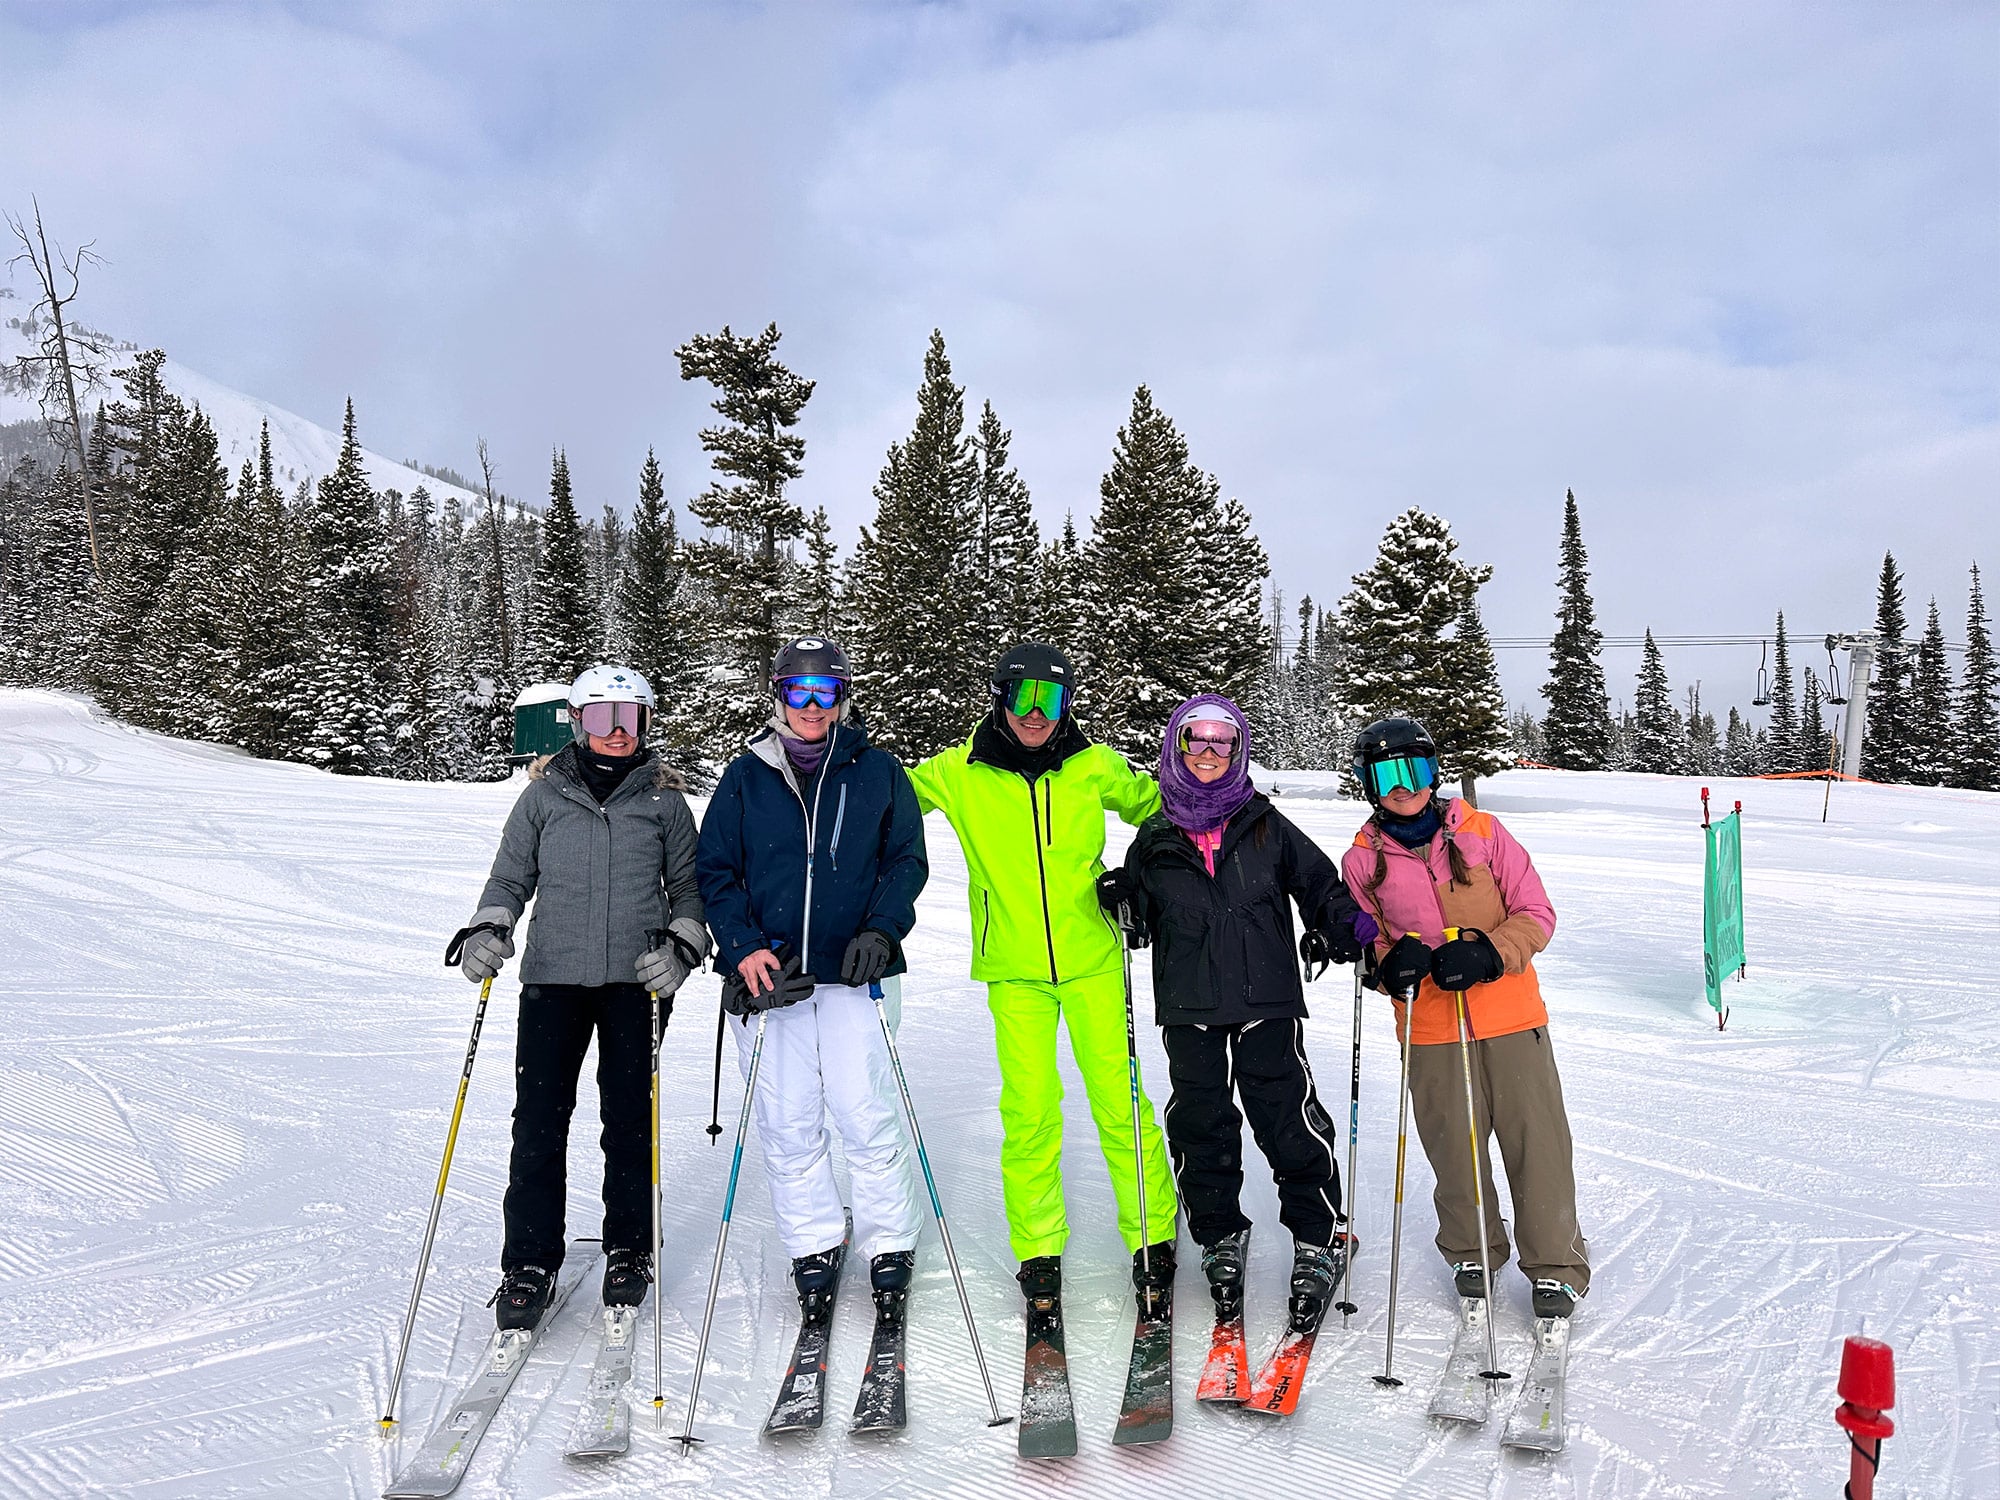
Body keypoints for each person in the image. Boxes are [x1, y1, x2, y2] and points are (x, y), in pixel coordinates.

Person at [907, 642, 1178, 1331]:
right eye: (1023, 697)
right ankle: (1038, 1254)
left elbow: (1159, 810)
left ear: (1067, 706)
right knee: (1030, 1117)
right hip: (1015, 970)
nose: (1036, 713)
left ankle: (1153, 1244)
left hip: (1093, 960)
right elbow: (883, 797)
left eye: (1050, 699)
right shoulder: (958, 771)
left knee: (1122, 1107)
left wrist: (1138, 876)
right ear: (999, 698)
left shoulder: (1094, 765)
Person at [1100, 694, 1372, 1338]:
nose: (1210, 755)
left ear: (1239, 750)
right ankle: (1220, 1234)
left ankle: (1320, 1231)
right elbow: (1138, 918)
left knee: (1286, 1117)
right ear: (1176, 748)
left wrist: (1342, 926)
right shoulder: (1157, 835)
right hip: (1189, 1000)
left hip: (1266, 1000)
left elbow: (1320, 884)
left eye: (1223, 743)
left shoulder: (1265, 824)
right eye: (1197, 741)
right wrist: (1121, 894)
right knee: (1201, 1122)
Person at [457, 664, 708, 1329]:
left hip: (637, 980)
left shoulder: (665, 803)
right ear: (577, 722)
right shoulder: (542, 798)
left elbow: (690, 891)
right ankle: (530, 1260)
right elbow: (509, 879)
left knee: (629, 1120)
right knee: (539, 1119)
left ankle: (629, 1248)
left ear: (647, 723)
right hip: (553, 979)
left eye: (630, 718)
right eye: (602, 718)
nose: (617, 731)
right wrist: (490, 924)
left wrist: (683, 946)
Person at [694, 637, 929, 1345]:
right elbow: (716, 873)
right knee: (788, 1123)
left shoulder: (879, 772)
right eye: (799, 694)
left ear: (842, 700)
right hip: (775, 983)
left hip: (858, 977)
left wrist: (883, 931)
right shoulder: (744, 777)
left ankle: (888, 1245)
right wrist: (743, 949)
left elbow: (906, 861)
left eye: (825, 694)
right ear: (778, 698)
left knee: (866, 1115)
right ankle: (815, 1245)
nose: (812, 709)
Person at [1340, 717, 1589, 1320]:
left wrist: (1489, 952)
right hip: (1428, 1029)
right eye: (1386, 773)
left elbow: (1536, 912)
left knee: (1538, 1144)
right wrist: (1386, 965)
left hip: (1511, 1018)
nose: (1404, 786)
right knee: (1455, 1149)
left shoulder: (1484, 833)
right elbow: (1363, 943)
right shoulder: (1360, 860)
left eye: (1414, 770)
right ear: (1369, 783)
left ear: (1433, 771)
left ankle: (1555, 1264)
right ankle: (1471, 1250)